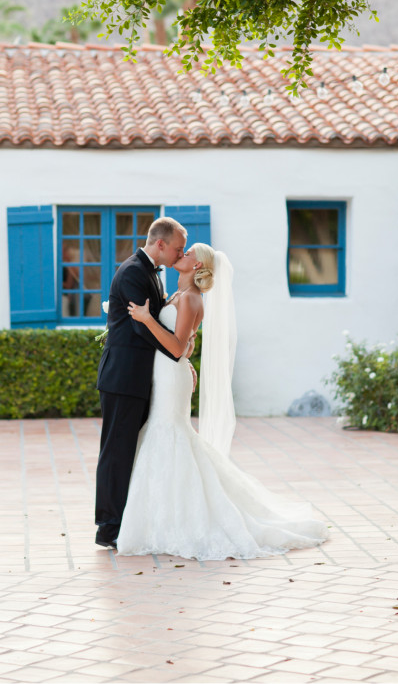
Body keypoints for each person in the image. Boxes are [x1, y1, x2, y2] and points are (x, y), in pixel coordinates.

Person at [117, 243, 329, 560]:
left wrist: (148, 320)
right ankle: (159, 516)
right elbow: (184, 346)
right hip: (164, 373)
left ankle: (180, 520)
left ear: (198, 267)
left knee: (170, 432)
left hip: (170, 375)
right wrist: (182, 352)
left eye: (188, 254)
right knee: (163, 433)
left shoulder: (190, 299)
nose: (182, 255)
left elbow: (175, 348)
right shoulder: (176, 296)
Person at [94, 216, 192, 549]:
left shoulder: (151, 273)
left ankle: (131, 520)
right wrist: (177, 351)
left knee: (133, 451)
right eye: (178, 247)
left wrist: (182, 351)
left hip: (141, 378)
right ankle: (108, 527)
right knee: (117, 453)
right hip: (123, 377)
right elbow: (141, 327)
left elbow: (158, 320)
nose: (180, 254)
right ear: (160, 244)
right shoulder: (134, 271)